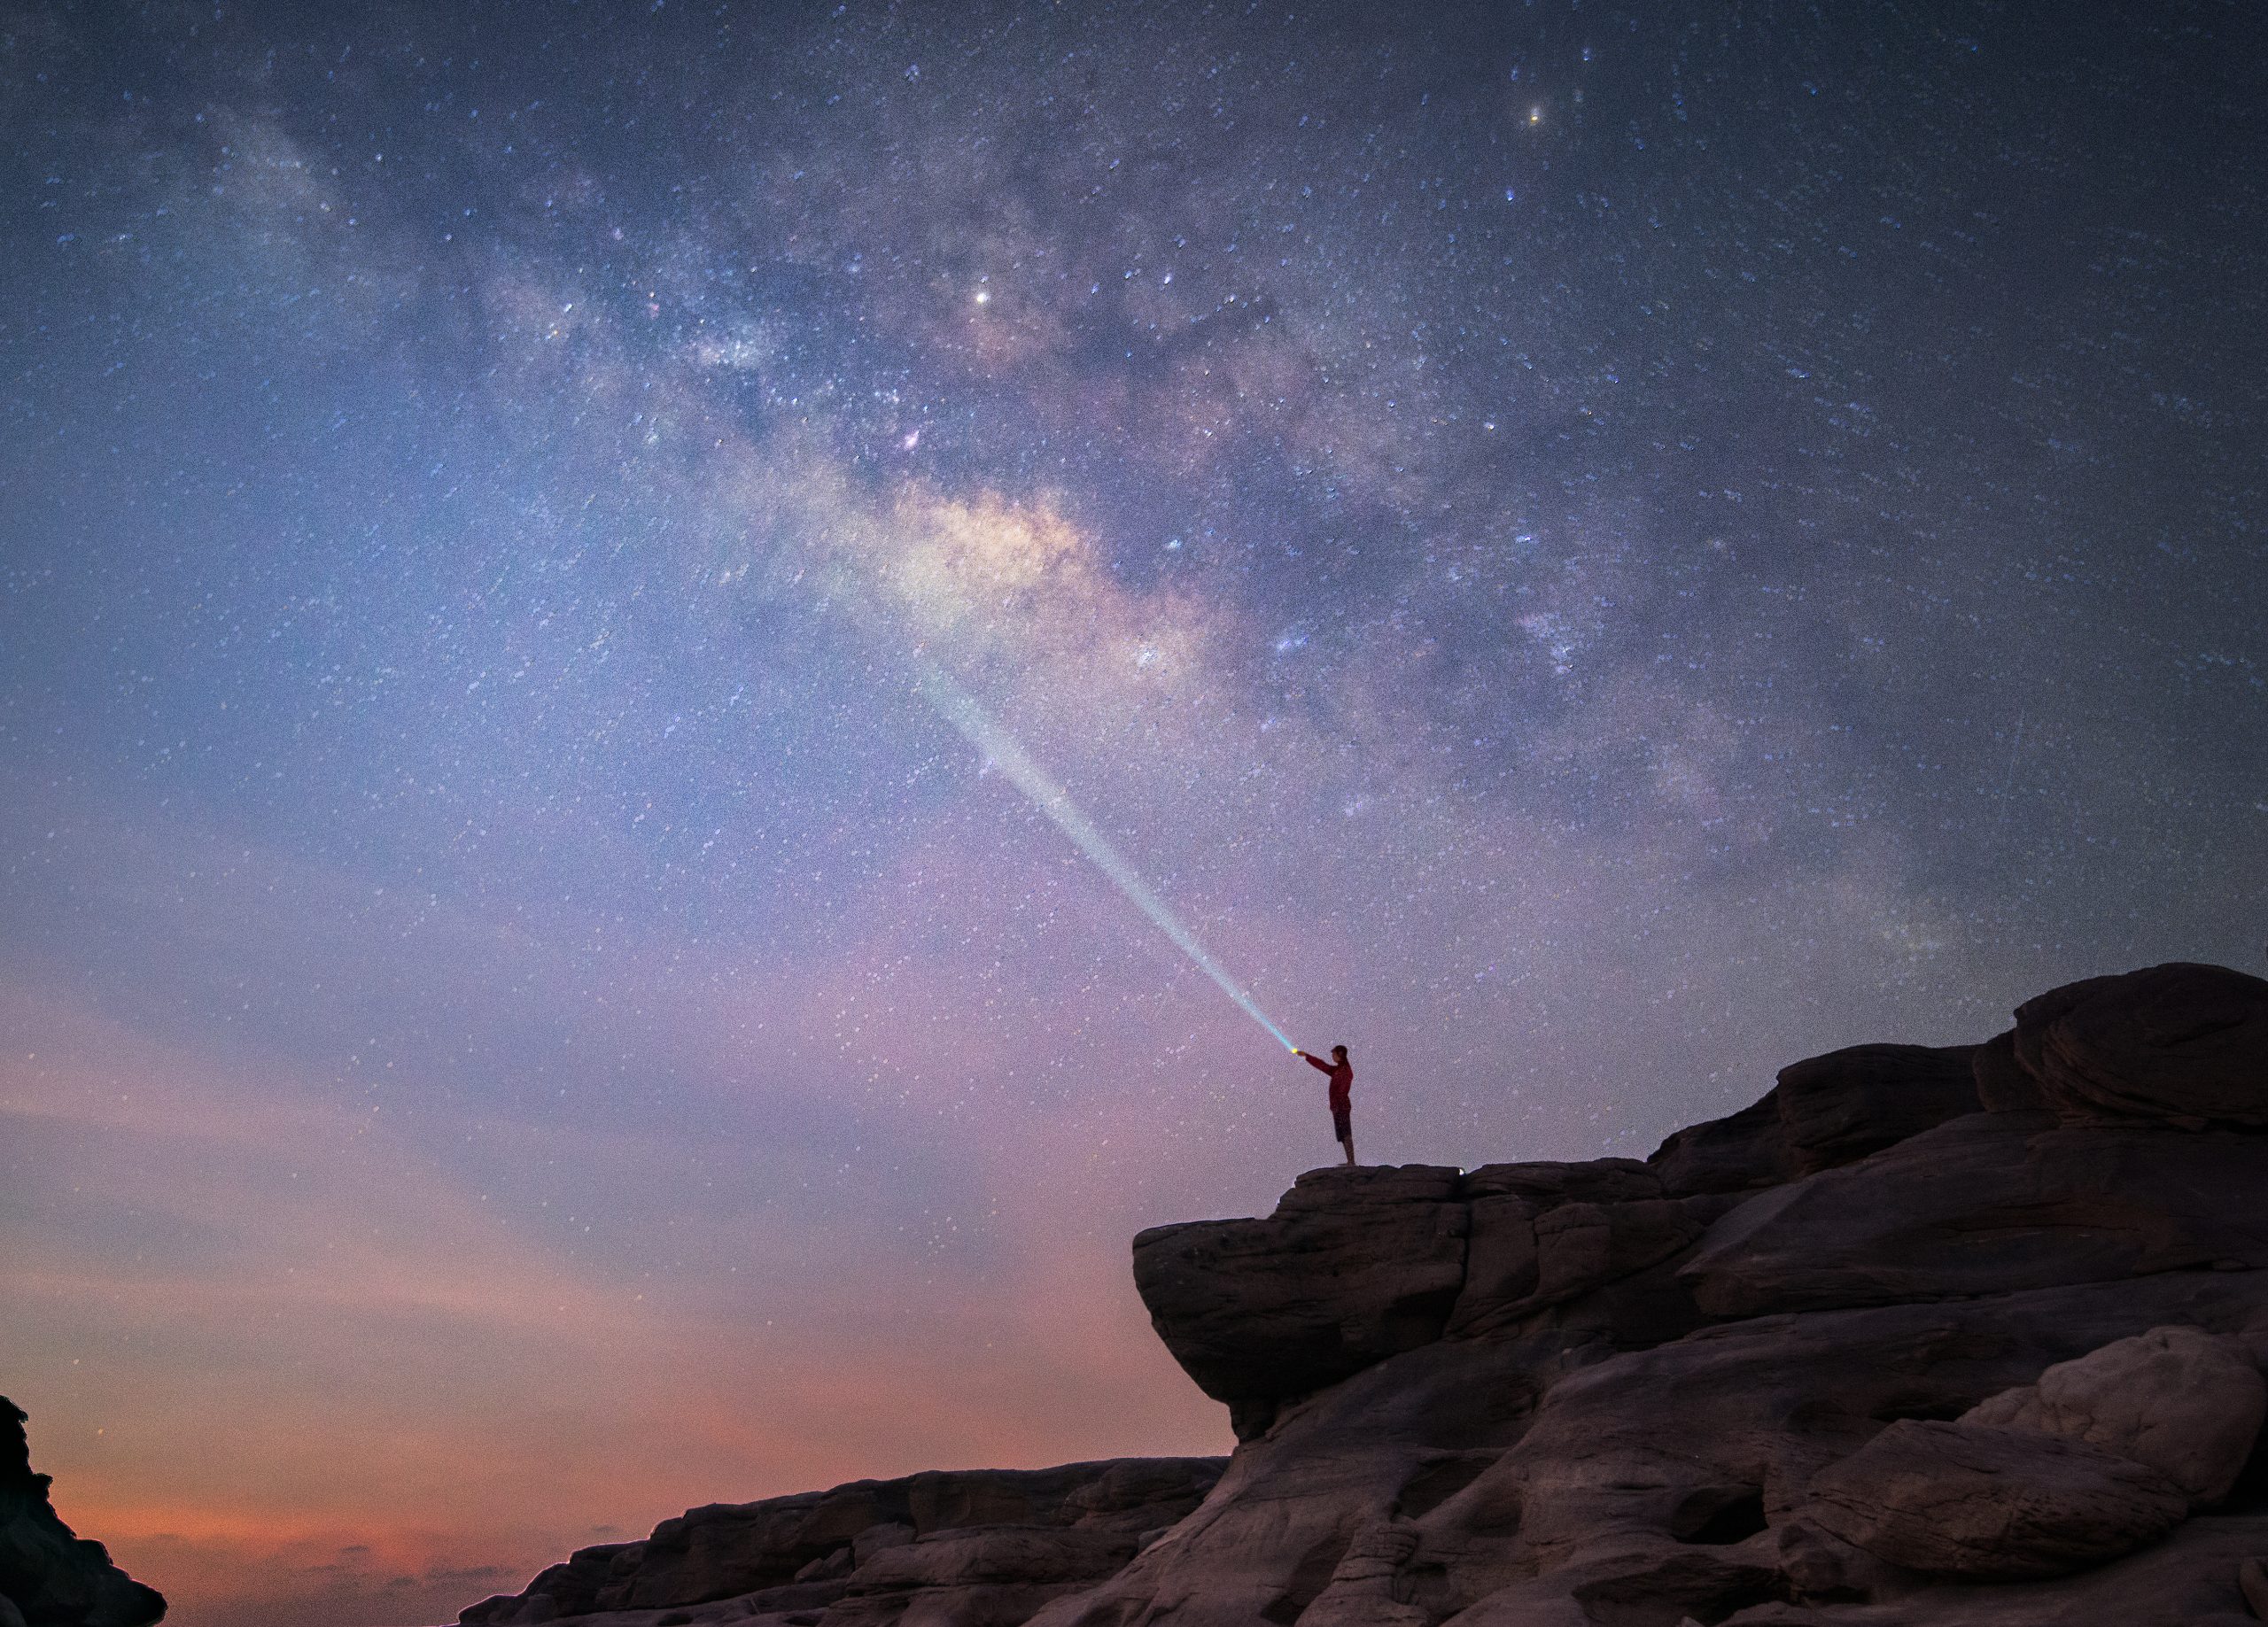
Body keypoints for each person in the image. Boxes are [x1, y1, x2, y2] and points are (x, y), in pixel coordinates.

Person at [1292, 1043, 1355, 1166]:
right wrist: (1307, 1056)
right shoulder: (1338, 1070)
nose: (1332, 1056)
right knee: (1342, 1134)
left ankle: (1351, 1161)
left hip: (1342, 1107)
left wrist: (1338, 1104)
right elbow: (1323, 1066)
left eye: (1334, 1054)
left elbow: (1343, 1089)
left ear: (1340, 1054)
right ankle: (1350, 1161)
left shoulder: (1345, 1071)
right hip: (1338, 1107)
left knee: (1346, 1133)